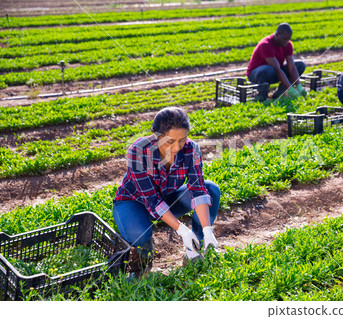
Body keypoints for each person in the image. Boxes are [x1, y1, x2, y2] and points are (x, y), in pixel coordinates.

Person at [112, 107, 221, 278]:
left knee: (210, 189)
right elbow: (152, 200)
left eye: (182, 140)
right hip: (133, 201)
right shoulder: (138, 151)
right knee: (138, 234)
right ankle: (142, 265)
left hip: (167, 199)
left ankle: (194, 250)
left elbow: (197, 189)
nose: (177, 147)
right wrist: (182, 230)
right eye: (170, 142)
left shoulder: (191, 149)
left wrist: (207, 229)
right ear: (155, 135)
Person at [247, 22, 306, 101]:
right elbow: (277, 68)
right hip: (257, 74)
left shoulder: (287, 44)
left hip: (274, 72)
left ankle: (280, 93)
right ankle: (261, 95)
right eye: (284, 39)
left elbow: (291, 66)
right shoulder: (266, 44)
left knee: (300, 65)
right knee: (269, 69)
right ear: (277, 34)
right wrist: (290, 88)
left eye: (288, 39)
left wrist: (298, 86)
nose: (286, 42)